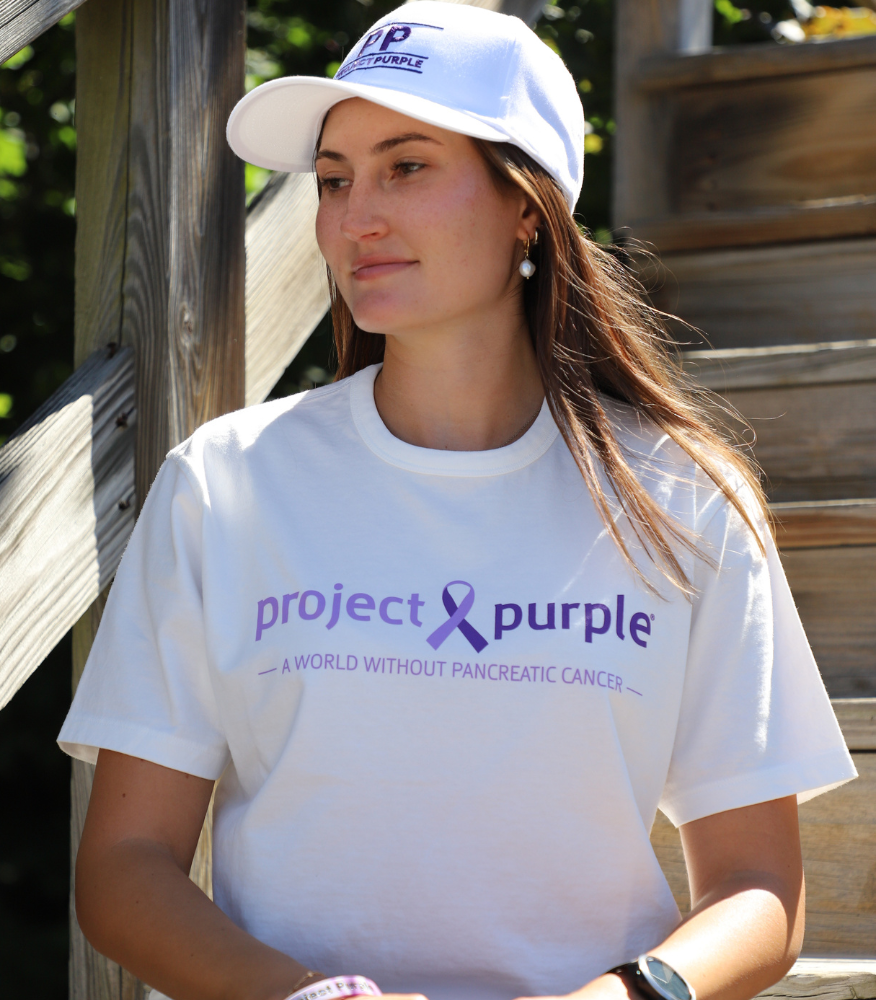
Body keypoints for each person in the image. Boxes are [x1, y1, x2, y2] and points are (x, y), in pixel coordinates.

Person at [57, 6, 856, 1000]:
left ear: (527, 206)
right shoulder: (225, 481)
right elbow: (125, 869)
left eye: (406, 167)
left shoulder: (682, 495)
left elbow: (757, 890)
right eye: (336, 178)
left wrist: (622, 997)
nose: (354, 219)